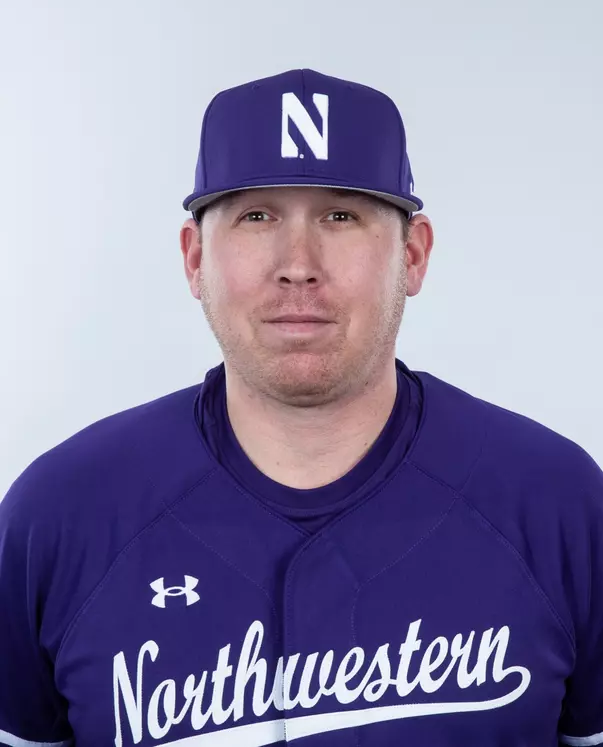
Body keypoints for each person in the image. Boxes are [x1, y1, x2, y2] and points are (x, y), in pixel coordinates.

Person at [0, 68, 601, 747]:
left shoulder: (560, 507)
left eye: (340, 216)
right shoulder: (59, 516)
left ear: (412, 254)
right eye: (256, 216)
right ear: (194, 258)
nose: (297, 263)